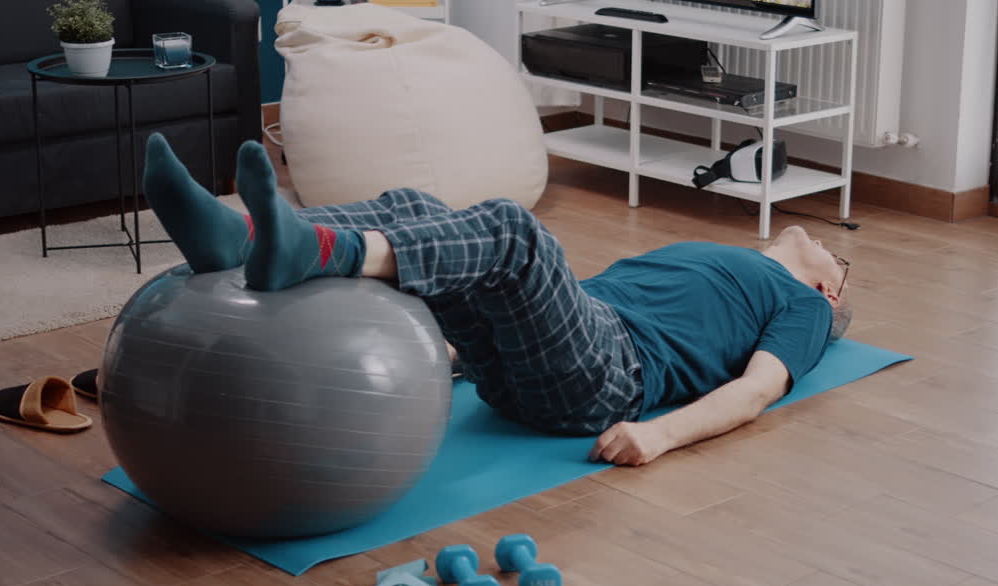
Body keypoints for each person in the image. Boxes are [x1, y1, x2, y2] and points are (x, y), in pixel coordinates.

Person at [141, 134, 852, 467]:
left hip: (608, 380)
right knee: (414, 203)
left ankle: (319, 250)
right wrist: (448, 351)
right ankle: (242, 237)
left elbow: (758, 391)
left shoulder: (806, 306)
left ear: (830, 284)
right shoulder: (723, 256)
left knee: (516, 233)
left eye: (836, 257)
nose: (824, 244)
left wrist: (658, 436)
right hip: (548, 354)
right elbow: (560, 307)